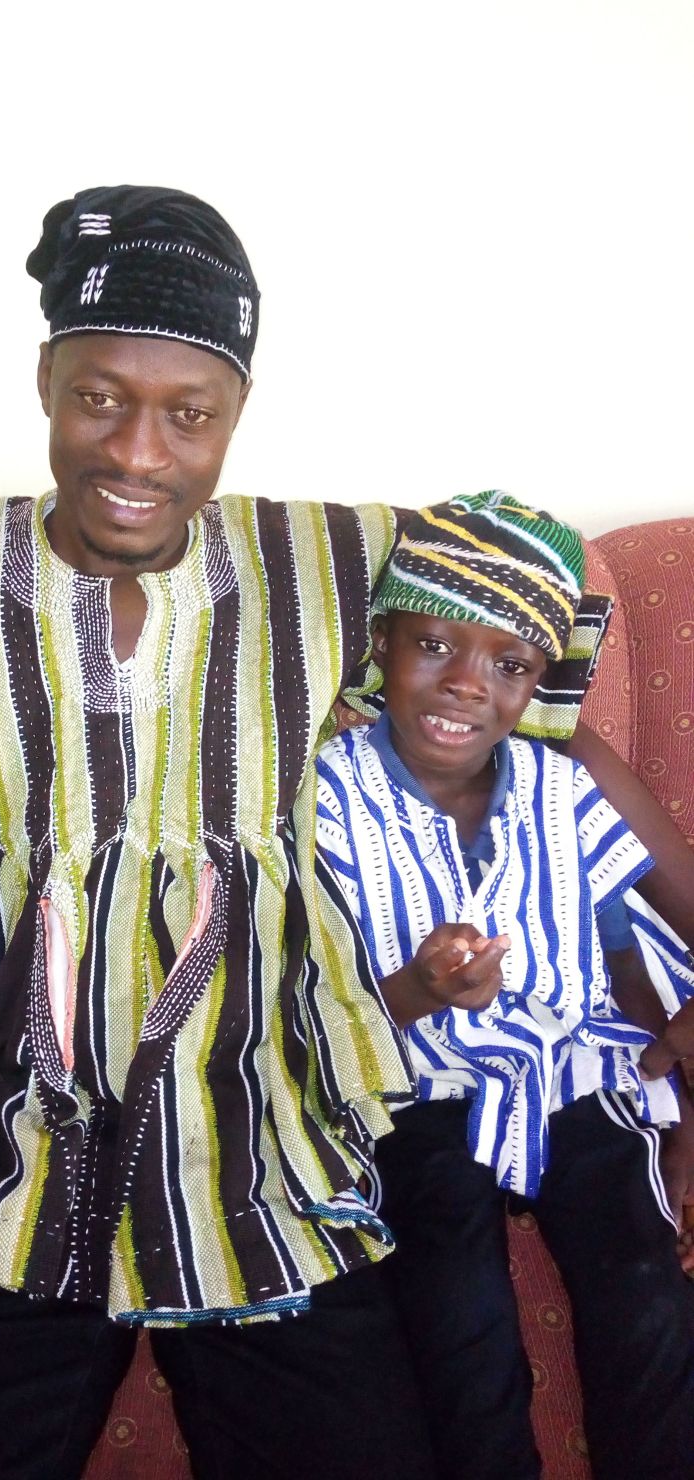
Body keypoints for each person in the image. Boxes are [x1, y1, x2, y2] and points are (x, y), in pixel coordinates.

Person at [0, 186, 694, 1479]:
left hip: (274, 1156)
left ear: (235, 416)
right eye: (97, 398)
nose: (136, 452)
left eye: (187, 415)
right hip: (4, 1154)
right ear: (43, 381)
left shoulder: (343, 564)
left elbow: (545, 715)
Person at [314, 492, 694, 1480]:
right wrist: (417, 987)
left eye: (510, 664)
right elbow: (319, 1009)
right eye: (434, 644)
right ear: (382, 641)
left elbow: (620, 945)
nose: (466, 686)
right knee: (460, 1306)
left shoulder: (560, 790)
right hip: (418, 1088)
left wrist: (670, 1051)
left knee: (645, 1293)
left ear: (538, 682)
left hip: (574, 1074)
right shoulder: (329, 795)